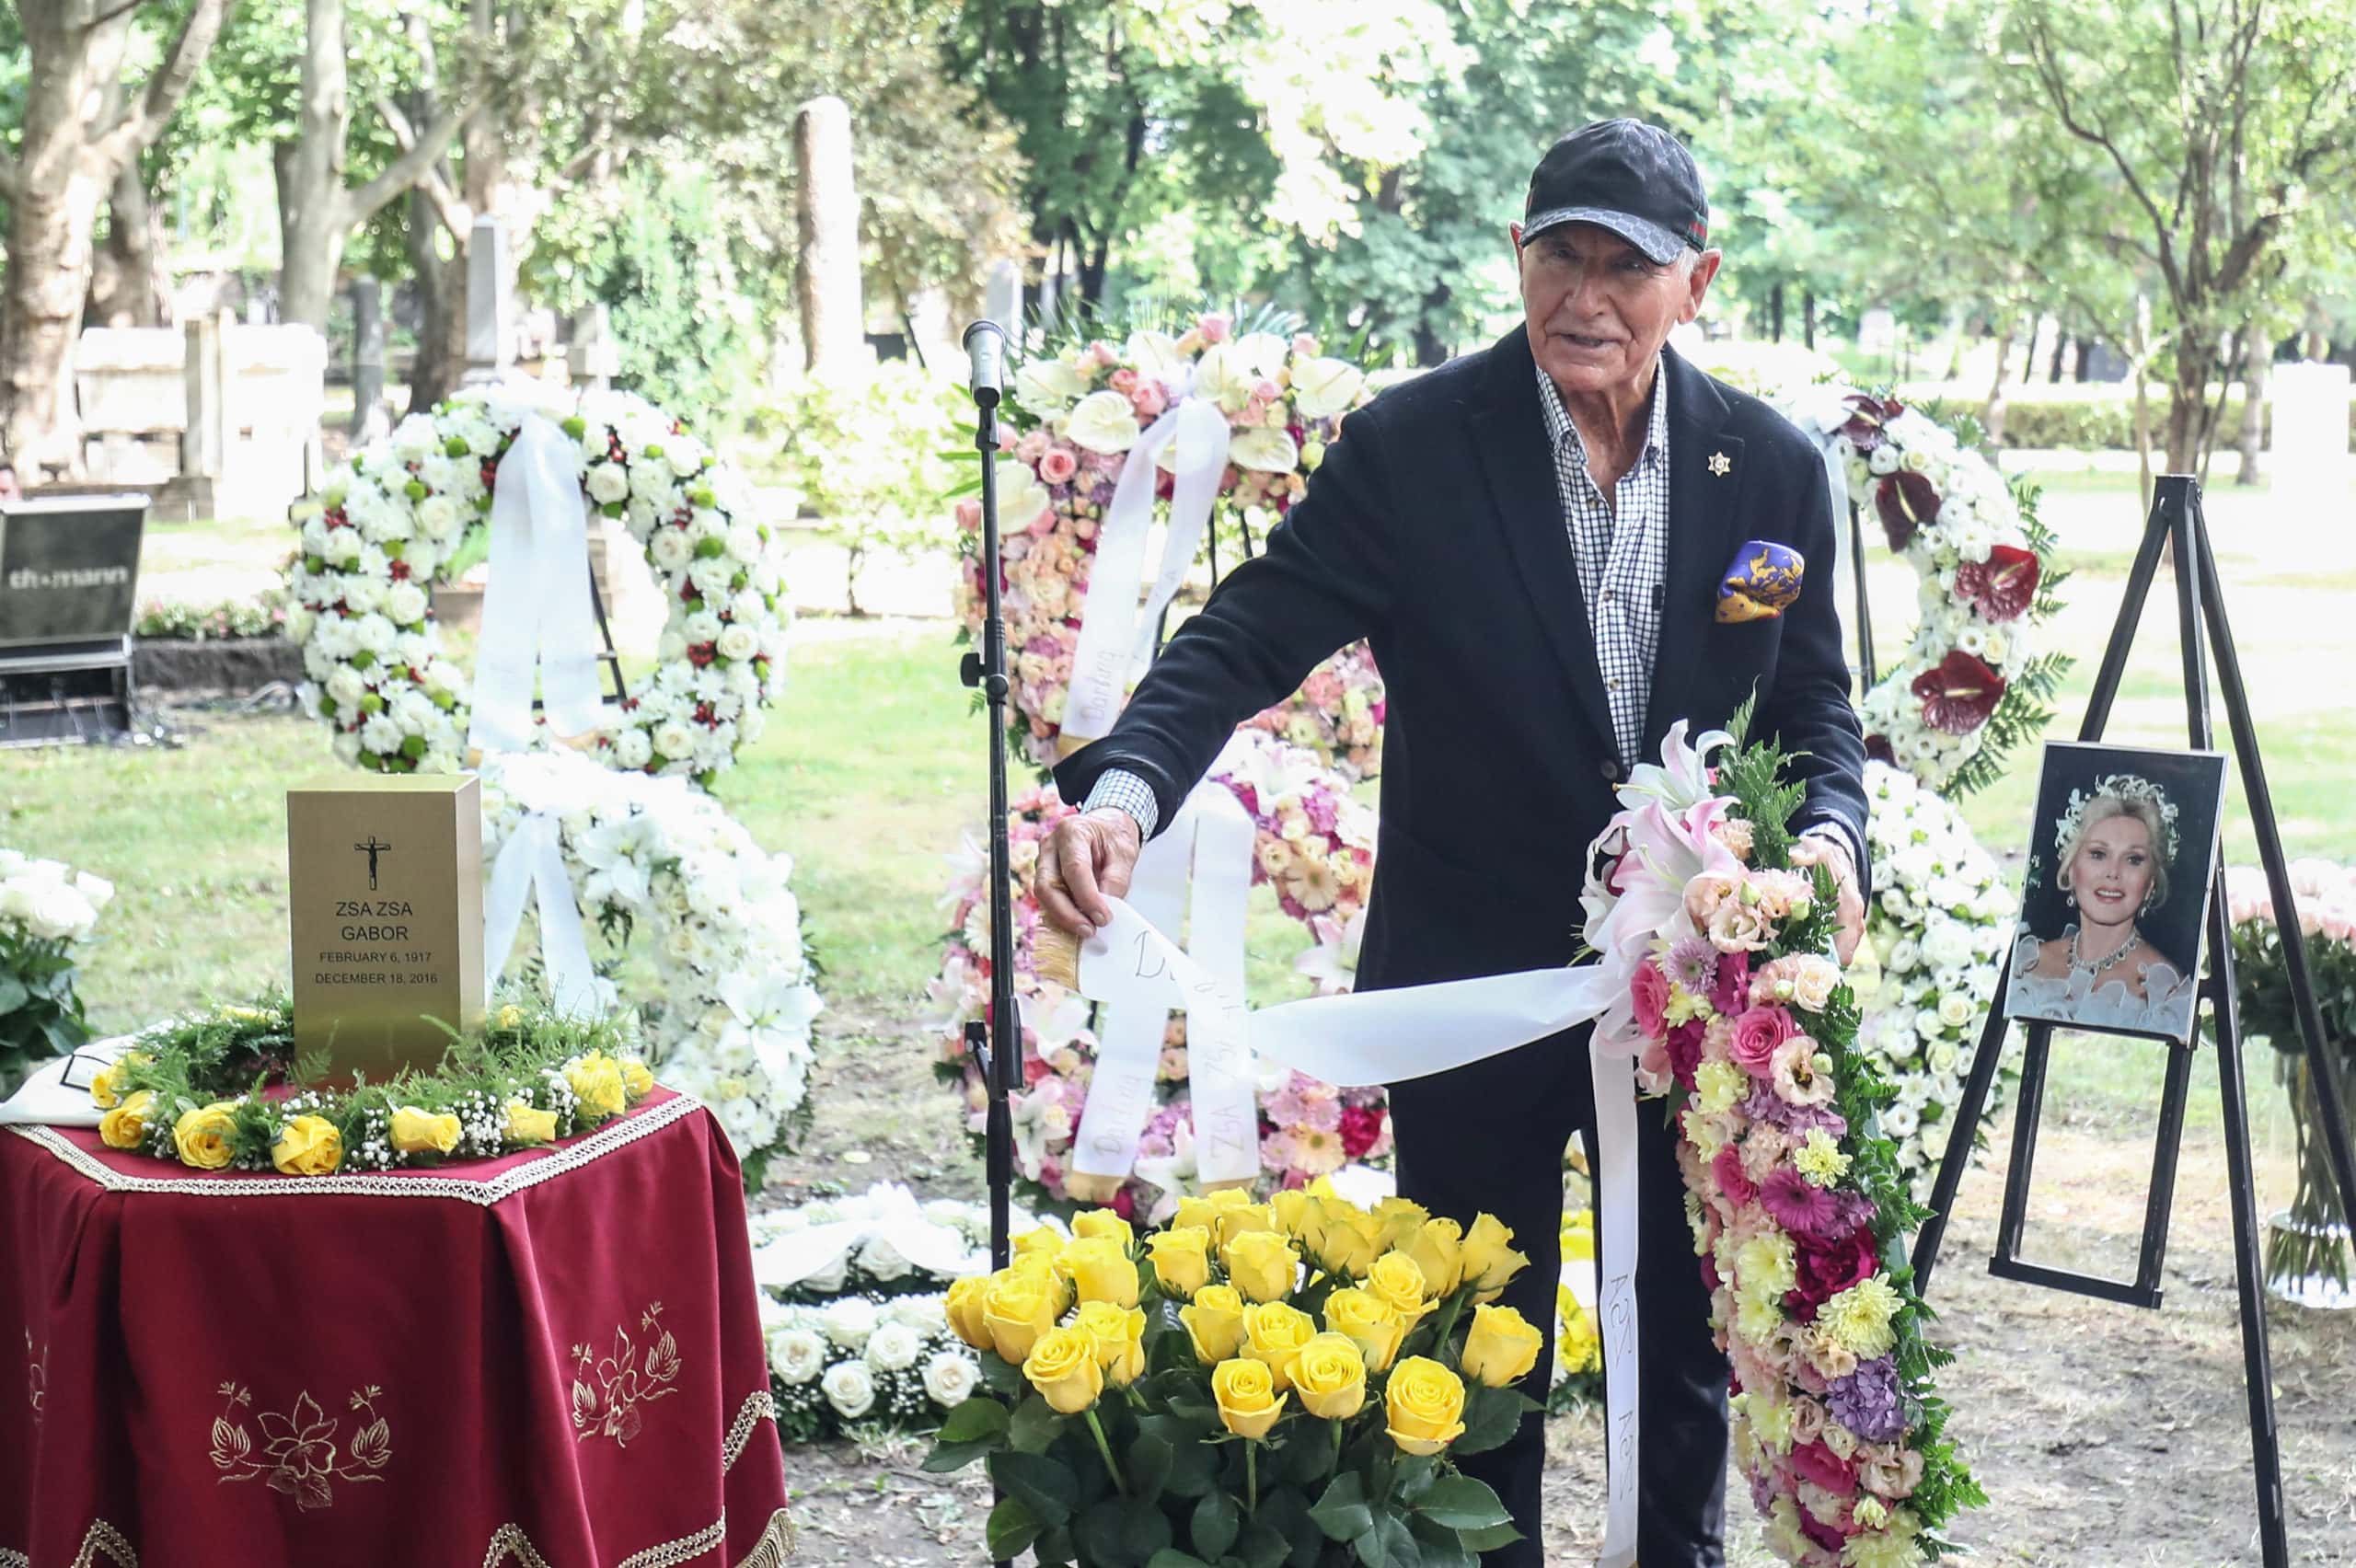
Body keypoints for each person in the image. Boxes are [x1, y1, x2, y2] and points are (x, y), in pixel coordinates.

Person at [1034, 119, 1868, 1567]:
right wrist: (1122, 795)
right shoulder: (1417, 450)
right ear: (1518, 257)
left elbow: (1810, 703)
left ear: (1700, 282)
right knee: (1475, 1361)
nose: (1586, 297)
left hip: (1695, 999)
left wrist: (1840, 841)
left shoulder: (1773, 472)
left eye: (1629, 265)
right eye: (1560, 255)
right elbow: (1246, 638)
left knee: (1681, 1342)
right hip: (1467, 983)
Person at [2008, 772, 2200, 1040]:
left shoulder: (2164, 994)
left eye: (2133, 859)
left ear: (2151, 884)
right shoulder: (2025, 963)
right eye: (2098, 854)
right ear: (2072, 869)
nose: (2113, 872)